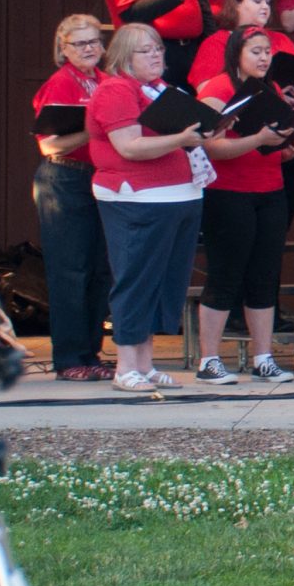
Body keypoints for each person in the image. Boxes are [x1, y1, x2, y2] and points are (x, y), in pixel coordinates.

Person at [86, 23, 208, 392]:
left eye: (158, 48)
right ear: (123, 56)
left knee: (162, 283)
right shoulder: (116, 91)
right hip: (137, 199)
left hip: (179, 196)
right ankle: (125, 367)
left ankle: (145, 363)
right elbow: (129, 146)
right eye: (145, 50)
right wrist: (183, 139)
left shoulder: (162, 90)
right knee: (137, 279)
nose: (156, 55)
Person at [191, 27, 294, 384]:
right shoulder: (216, 90)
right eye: (256, 51)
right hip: (229, 194)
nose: (264, 57)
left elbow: (270, 147)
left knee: (264, 276)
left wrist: (287, 149)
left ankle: (263, 357)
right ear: (237, 53)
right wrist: (258, 139)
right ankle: (209, 359)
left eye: (268, 51)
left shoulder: (272, 90)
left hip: (270, 190)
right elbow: (210, 147)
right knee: (226, 275)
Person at [31, 14, 114, 382]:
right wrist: (91, 129)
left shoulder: (104, 81)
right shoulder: (60, 84)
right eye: (79, 43)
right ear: (62, 48)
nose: (89, 49)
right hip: (65, 177)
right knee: (70, 272)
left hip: (99, 179)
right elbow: (49, 145)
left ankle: (92, 352)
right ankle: (68, 357)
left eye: (94, 41)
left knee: (100, 270)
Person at [188, 0, 294, 88]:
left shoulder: (280, 39)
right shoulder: (217, 41)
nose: (265, 7)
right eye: (257, 1)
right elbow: (206, 90)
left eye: (268, 2)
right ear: (237, 4)